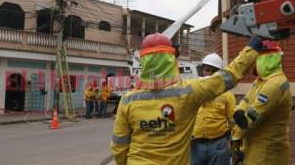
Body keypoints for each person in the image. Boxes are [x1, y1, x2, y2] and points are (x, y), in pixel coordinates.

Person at [110, 33, 264, 165]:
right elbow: (228, 76)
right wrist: (252, 49)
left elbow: (119, 146)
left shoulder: (127, 100)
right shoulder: (188, 92)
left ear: (143, 62)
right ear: (172, 60)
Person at [231, 40, 291, 165]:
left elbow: (251, 118)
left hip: (267, 152)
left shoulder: (274, 84)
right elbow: (247, 99)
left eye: (258, 58)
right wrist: (240, 110)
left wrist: (235, 140)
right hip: (254, 147)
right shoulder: (261, 81)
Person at [191, 53, 235, 165]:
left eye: (214, 71)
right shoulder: (192, 92)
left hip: (220, 145)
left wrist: (236, 148)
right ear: (202, 71)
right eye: (207, 70)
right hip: (196, 146)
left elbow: (234, 124)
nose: (209, 74)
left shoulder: (227, 95)